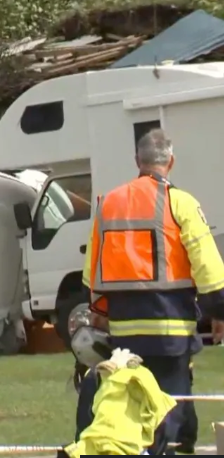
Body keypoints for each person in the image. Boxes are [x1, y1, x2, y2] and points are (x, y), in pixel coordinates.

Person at [75, 128, 224, 454]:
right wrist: (218, 313)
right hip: (171, 332)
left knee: (132, 404)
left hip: (125, 335)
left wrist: (99, 315)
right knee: (168, 408)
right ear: (170, 162)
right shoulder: (181, 203)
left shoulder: (108, 204)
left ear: (137, 161)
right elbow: (209, 268)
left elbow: (92, 276)